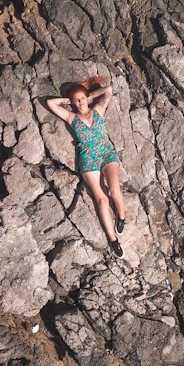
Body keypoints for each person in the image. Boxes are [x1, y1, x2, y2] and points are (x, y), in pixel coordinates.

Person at [44, 75, 127, 257]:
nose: (80, 102)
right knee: (102, 199)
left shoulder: (98, 109)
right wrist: (68, 100)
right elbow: (51, 103)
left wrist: (88, 96)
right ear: (72, 103)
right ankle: (113, 240)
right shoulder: (71, 117)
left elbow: (109, 90)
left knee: (114, 190)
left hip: (106, 153)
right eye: (77, 101)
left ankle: (121, 216)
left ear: (87, 98)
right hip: (88, 159)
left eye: (82, 99)